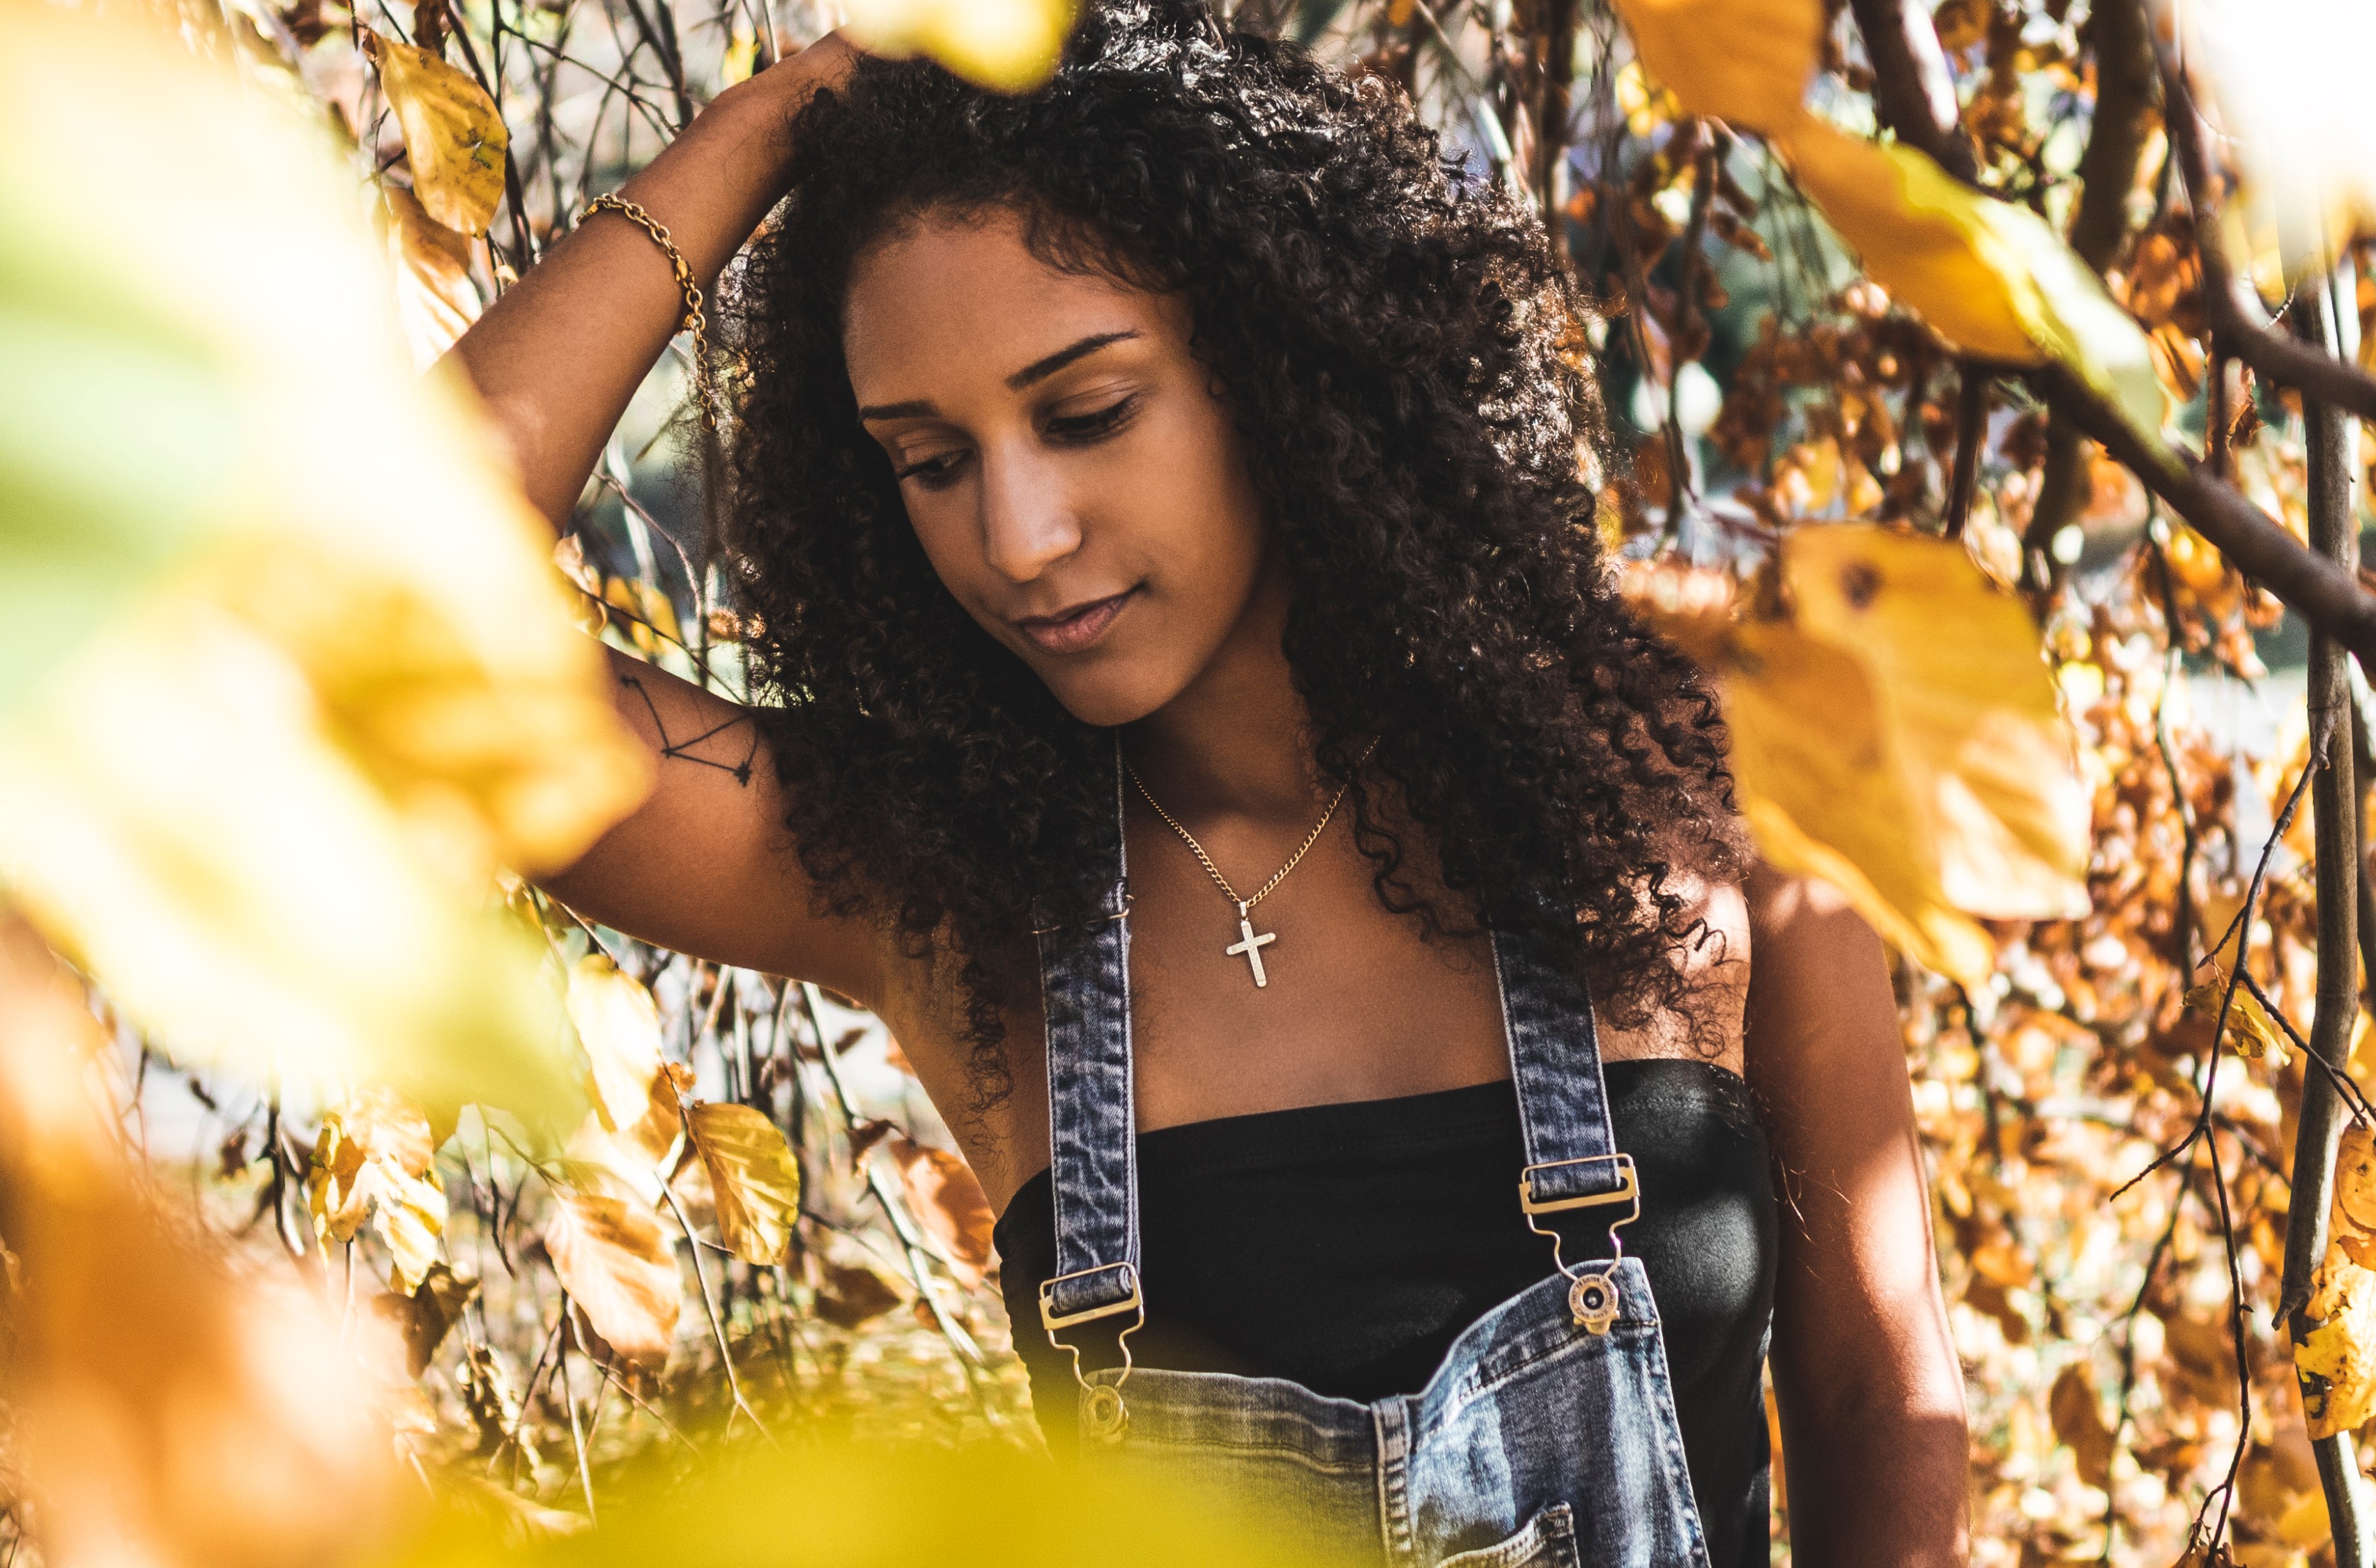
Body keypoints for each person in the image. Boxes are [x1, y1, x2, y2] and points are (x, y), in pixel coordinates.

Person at [453, 4, 1966, 1562]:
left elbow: (1874, 1400)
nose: (1018, 536)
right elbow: (384, 616)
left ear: (1275, 360)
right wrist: (785, 120)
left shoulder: (1693, 758)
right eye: (930, 459)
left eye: (1087, 413)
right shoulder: (943, 889)